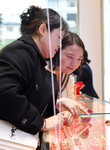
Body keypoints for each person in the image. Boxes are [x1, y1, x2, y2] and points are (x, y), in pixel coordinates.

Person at [0, 5, 88, 138]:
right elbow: (6, 95)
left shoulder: (36, 57)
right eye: (58, 37)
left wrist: (57, 103)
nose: (59, 45)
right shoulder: (21, 51)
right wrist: (42, 123)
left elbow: (29, 94)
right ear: (43, 29)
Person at [48, 31, 89, 116]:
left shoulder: (68, 78)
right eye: (70, 57)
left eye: (79, 59)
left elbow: (68, 107)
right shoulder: (43, 72)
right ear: (57, 51)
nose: (74, 64)